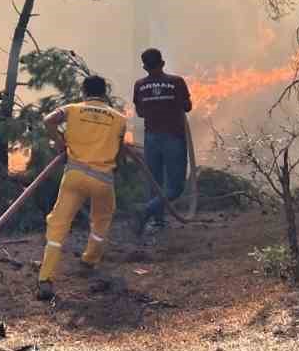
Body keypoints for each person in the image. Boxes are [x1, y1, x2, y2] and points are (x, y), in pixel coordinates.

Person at [36, 75, 135, 304]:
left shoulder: (72, 110)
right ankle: (90, 260)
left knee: (58, 225)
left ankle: (45, 278)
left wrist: (61, 143)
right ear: (104, 93)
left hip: (75, 176)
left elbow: (48, 120)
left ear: (83, 91)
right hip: (103, 180)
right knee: (101, 222)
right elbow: (119, 155)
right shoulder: (119, 119)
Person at [133, 48, 193, 235]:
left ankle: (158, 222)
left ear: (144, 67)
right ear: (163, 63)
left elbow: (141, 113)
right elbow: (187, 106)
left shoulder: (139, 85)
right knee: (175, 187)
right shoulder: (176, 82)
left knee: (154, 182)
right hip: (173, 137)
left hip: (151, 138)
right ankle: (147, 210)